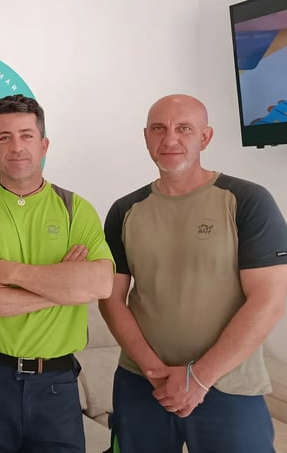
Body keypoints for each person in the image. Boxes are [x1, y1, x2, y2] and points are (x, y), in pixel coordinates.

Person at [99, 94, 287, 453]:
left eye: (184, 128)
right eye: (159, 129)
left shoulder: (247, 200)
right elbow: (111, 299)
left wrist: (198, 378)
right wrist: (156, 372)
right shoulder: (124, 210)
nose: (170, 139)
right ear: (146, 137)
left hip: (228, 385)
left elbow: (268, 301)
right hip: (143, 385)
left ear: (205, 137)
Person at [0, 94, 114, 453]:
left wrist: (7, 271)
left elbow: (99, 283)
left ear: (44, 144)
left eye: (26, 135)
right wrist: (61, 286)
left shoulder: (75, 209)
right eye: (4, 137)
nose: (16, 147)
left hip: (56, 382)